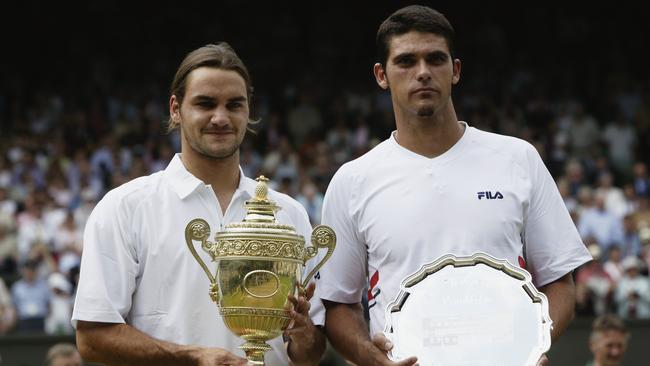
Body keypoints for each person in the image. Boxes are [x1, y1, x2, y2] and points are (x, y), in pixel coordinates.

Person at [316, 5, 592, 366]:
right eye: (406, 62)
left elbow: (559, 283)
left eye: (435, 59)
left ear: (455, 70)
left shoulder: (517, 158)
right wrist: (372, 357)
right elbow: (338, 304)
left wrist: (530, 345)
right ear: (381, 75)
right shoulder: (352, 181)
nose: (423, 73)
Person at [73, 43, 325, 366]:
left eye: (234, 105)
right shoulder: (125, 208)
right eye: (205, 104)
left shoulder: (289, 213)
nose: (220, 117)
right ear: (175, 109)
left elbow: (309, 353)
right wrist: (192, 357)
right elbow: (92, 338)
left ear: (248, 112)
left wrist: (305, 336)